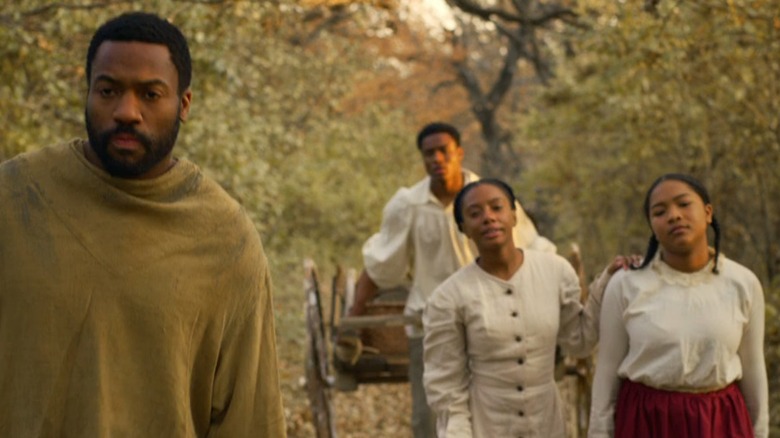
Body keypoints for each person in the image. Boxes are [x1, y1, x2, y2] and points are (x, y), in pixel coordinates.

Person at [0, 12, 286, 437]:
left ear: (183, 104)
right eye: (108, 90)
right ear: (89, 93)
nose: (126, 112)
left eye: (150, 95)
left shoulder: (226, 239)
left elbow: (250, 416)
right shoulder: (15, 198)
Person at [347, 123, 555, 437]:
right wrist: (353, 320)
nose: (437, 159)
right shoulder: (408, 205)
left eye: (443, 151)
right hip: (432, 327)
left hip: (491, 325)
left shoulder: (491, 199)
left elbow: (531, 250)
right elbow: (381, 266)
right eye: (428, 154)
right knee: (431, 421)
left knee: (498, 417)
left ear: (459, 152)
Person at [422, 178, 631, 438]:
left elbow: (579, 341)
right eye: (475, 214)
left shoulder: (555, 271)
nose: (488, 218)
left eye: (497, 208)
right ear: (464, 228)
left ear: (514, 215)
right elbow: (446, 384)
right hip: (487, 424)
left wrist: (606, 282)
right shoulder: (448, 297)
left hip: (546, 421)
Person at [588, 173, 769, 438]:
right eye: (660, 212)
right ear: (652, 225)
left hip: (720, 422)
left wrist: (760, 431)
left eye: (684, 204)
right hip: (646, 422)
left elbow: (753, 368)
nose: (674, 215)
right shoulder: (627, 285)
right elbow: (606, 372)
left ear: (708, 213)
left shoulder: (742, 283)